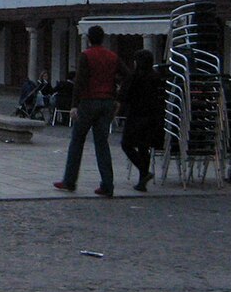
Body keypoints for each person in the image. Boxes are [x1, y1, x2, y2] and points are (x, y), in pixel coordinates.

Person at [54, 25, 128, 197]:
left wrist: (74, 105)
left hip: (88, 102)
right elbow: (127, 75)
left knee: (77, 141)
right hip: (107, 102)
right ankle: (107, 184)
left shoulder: (86, 55)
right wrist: (118, 98)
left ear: (89, 39)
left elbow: (79, 81)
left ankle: (69, 180)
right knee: (102, 144)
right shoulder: (112, 56)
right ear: (103, 38)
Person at [118, 49, 164, 191]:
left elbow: (124, 95)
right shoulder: (156, 77)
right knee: (144, 147)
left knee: (127, 144)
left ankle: (143, 172)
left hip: (136, 116)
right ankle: (141, 181)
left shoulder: (134, 77)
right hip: (152, 117)